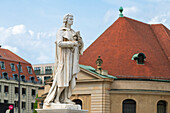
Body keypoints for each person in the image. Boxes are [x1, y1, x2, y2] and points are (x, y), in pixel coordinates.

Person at [44, 14, 84, 105]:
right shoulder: (61, 31)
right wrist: (72, 43)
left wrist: (79, 40)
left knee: (70, 79)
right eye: (70, 19)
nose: (72, 21)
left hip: (72, 58)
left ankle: (65, 98)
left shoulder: (73, 32)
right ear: (65, 20)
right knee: (62, 79)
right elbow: (59, 43)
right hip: (64, 58)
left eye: (73, 19)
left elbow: (79, 45)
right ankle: (57, 98)